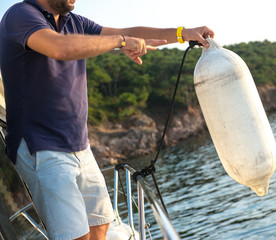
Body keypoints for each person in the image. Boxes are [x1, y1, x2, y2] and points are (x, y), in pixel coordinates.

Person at [0, 0, 215, 239]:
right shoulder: (20, 14)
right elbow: (59, 47)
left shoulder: (74, 22)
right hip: (40, 146)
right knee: (75, 236)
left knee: (101, 222)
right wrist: (120, 42)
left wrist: (182, 34)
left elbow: (129, 32)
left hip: (79, 144)